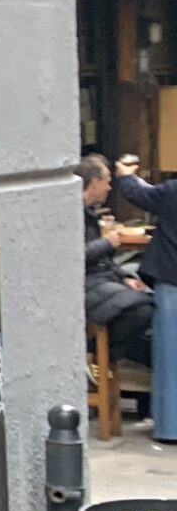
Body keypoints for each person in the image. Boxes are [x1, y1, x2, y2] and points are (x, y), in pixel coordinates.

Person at [111, 155, 177, 443]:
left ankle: (170, 427)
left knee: (170, 357)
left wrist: (125, 175)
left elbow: (141, 194)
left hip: (171, 279)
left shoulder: (172, 192)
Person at [82, 153, 152, 371]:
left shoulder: (88, 214)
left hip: (101, 278)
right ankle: (94, 353)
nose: (109, 187)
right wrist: (107, 242)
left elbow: (105, 260)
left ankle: (99, 356)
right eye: (107, 181)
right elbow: (76, 256)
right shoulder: (73, 214)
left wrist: (125, 277)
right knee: (143, 310)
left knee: (145, 300)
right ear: (94, 182)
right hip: (88, 283)